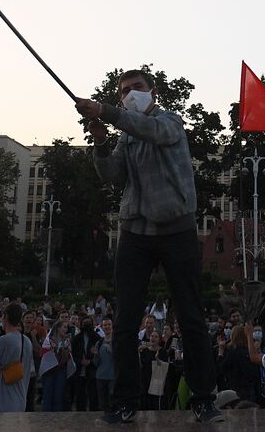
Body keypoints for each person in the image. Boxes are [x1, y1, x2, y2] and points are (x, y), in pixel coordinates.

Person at [77, 68, 223, 424]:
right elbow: (112, 175)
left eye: (136, 88)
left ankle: (203, 398)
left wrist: (106, 113)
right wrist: (99, 141)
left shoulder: (169, 121)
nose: (130, 94)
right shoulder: (126, 137)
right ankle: (126, 400)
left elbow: (151, 131)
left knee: (190, 316)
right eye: (124, 91)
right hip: (136, 232)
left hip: (177, 230)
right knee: (125, 320)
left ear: (153, 91)